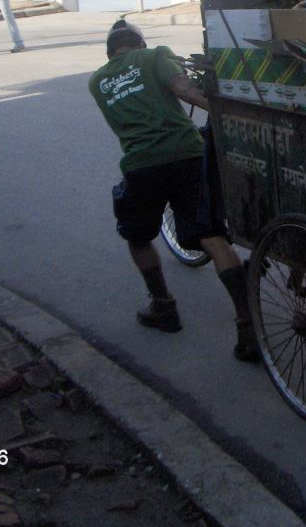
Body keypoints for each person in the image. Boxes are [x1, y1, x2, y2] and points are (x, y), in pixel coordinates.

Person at [88, 20, 259, 360]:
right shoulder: (154, 56)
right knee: (212, 236)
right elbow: (182, 87)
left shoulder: (97, 81)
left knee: (137, 238)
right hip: (187, 156)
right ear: (139, 42)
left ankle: (164, 307)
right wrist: (224, 112)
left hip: (141, 164)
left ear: (111, 51)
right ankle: (247, 323)